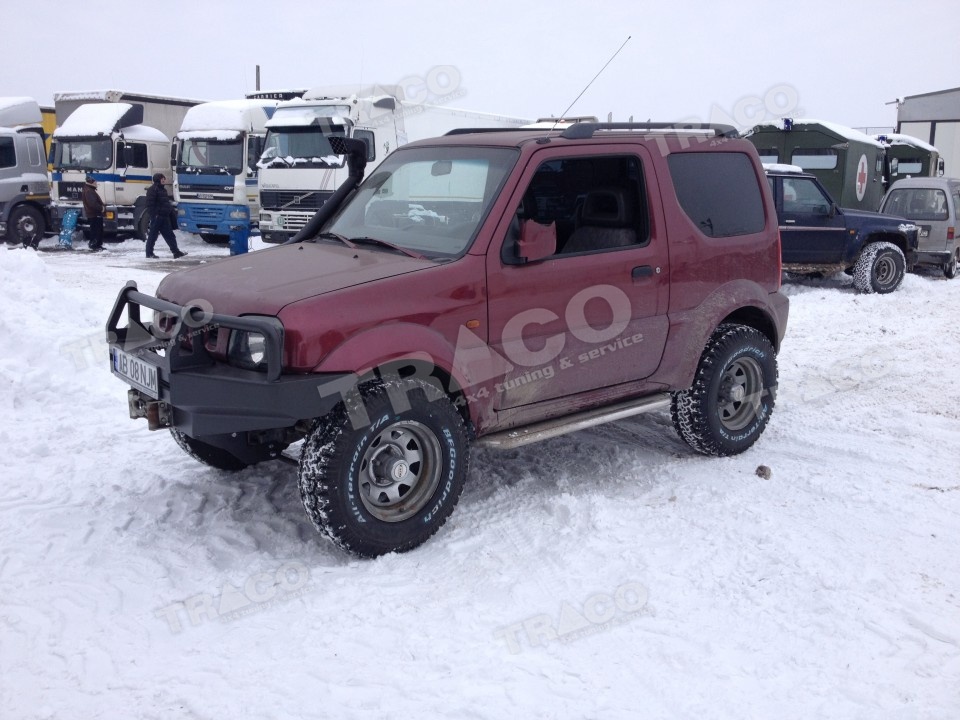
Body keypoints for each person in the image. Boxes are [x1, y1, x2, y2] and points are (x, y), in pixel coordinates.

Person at [145, 172, 186, 259]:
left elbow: (165, 203)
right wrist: (155, 214)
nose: (164, 180)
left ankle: (176, 252)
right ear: (158, 180)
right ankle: (149, 253)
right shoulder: (153, 190)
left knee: (170, 235)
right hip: (157, 217)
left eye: (164, 179)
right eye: (162, 179)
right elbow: (150, 204)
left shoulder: (163, 190)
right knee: (153, 236)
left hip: (164, 217)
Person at [81, 175, 105, 251]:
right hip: (95, 214)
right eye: (95, 182)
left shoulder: (89, 189)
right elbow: (92, 204)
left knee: (95, 230)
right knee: (96, 230)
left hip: (94, 214)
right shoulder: (89, 191)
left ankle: (96, 245)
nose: (96, 183)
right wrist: (101, 208)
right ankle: (95, 245)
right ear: (91, 182)